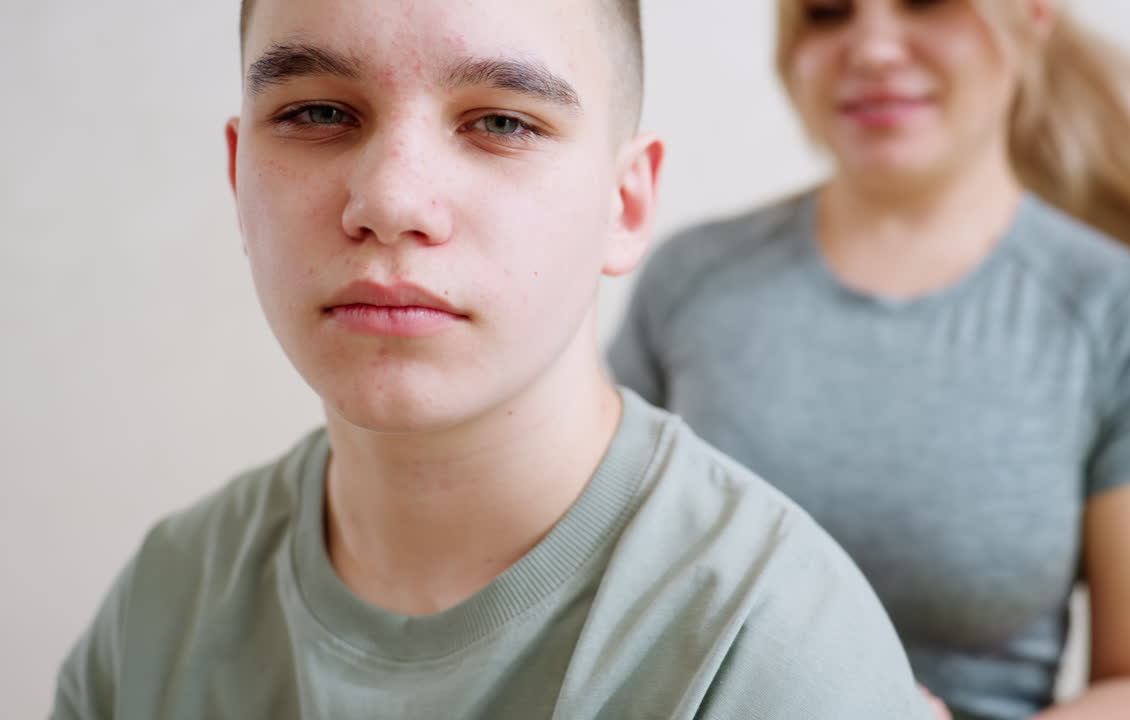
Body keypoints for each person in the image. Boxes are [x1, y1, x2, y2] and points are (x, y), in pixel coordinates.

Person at [50, 0, 936, 718]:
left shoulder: (767, 650)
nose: (391, 199)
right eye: (318, 112)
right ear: (240, 177)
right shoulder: (159, 612)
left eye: (502, 122)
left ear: (625, 206)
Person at [609, 1, 1130, 719]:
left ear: (1031, 17)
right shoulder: (687, 281)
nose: (870, 48)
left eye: (925, 0)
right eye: (827, 13)